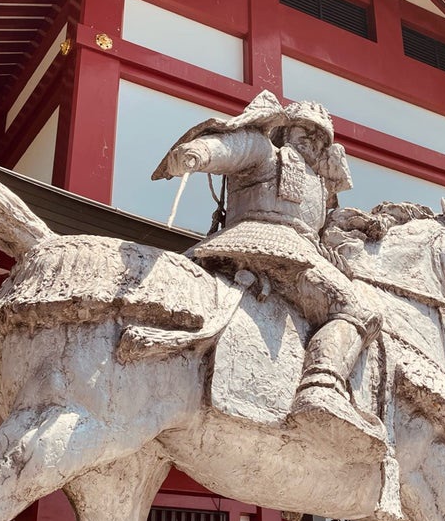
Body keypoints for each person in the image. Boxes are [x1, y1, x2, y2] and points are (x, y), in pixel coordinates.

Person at [152, 90, 387, 463]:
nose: (312, 141)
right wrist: (200, 154)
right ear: (285, 131)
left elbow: (326, 231)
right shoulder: (267, 153)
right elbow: (235, 148)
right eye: (304, 131)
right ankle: (322, 385)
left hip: (303, 252)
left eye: (319, 137)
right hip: (267, 245)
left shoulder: (321, 187)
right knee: (356, 309)